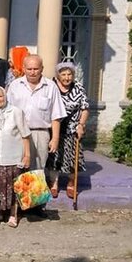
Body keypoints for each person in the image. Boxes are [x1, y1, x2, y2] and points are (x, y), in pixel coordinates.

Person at [6, 54, 66, 209]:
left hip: (40, 132)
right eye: (29, 69)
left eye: (36, 69)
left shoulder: (50, 87)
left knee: (37, 169)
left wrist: (55, 138)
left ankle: (35, 206)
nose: (32, 72)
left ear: (42, 69)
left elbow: (56, 115)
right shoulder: (15, 86)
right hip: (17, 134)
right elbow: (7, 111)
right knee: (18, 167)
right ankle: (17, 206)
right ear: (24, 69)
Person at [0, 86, 31, 228]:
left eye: (0, 96)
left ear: (5, 97)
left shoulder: (16, 112)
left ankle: (13, 214)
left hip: (13, 156)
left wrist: (27, 155)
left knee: (13, 187)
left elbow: (25, 135)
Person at [47, 62, 89, 199]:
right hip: (54, 127)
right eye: (63, 74)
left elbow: (85, 108)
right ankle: (54, 183)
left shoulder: (78, 88)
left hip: (73, 128)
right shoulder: (51, 86)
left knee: (73, 157)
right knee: (54, 157)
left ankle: (71, 183)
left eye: (69, 74)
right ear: (58, 75)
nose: (67, 77)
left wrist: (81, 124)